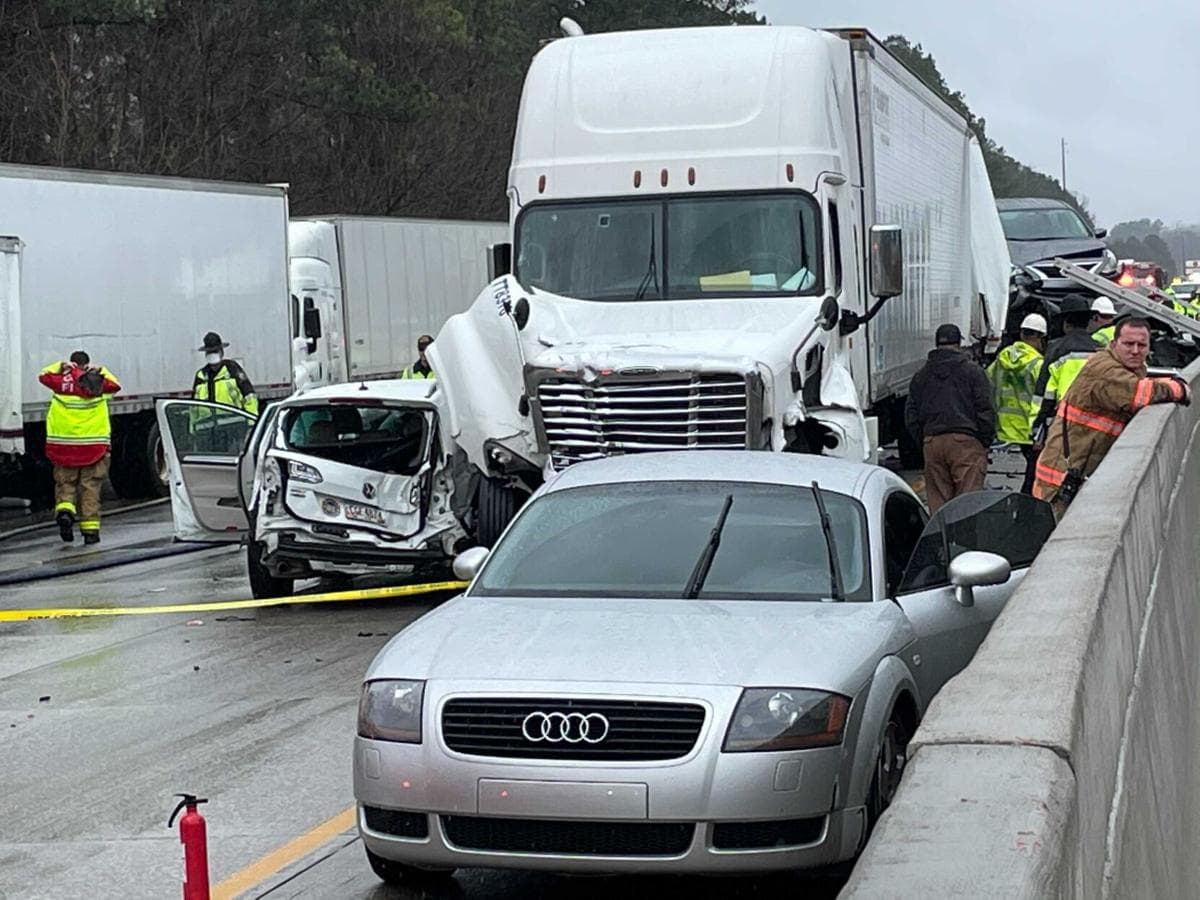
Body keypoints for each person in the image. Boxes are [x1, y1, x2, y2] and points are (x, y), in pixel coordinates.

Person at [1033, 318, 1190, 520]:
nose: (1135, 350)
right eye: (1128, 344)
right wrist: (1179, 388)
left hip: (1074, 475)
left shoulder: (1126, 368)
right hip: (1059, 482)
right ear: (1114, 344)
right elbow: (1139, 393)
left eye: (1141, 345)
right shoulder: (1105, 370)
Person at [905, 324, 996, 513]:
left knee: (939, 507)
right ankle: (963, 541)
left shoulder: (920, 376)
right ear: (959, 343)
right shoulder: (973, 372)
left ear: (936, 344)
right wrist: (985, 441)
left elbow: (911, 415)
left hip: (932, 443)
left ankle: (942, 541)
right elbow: (985, 409)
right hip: (966, 443)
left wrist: (924, 440)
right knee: (967, 505)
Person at [38, 351, 121, 544]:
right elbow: (115, 385)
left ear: (73, 362)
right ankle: (90, 532)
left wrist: (59, 366)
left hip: (64, 446)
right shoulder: (97, 382)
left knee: (65, 484)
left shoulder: (60, 383)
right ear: (87, 364)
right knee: (90, 487)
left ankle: (65, 511)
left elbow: (43, 375)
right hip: (93, 448)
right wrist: (102, 370)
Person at [986, 314, 1046, 494]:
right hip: (1028, 432)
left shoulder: (1002, 358)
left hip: (1003, 429)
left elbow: (987, 383)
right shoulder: (1038, 365)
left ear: (1021, 333)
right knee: (1031, 476)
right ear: (1040, 337)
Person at [1031, 294, 1100, 447]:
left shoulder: (1056, 350)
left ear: (1065, 321)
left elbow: (1043, 393)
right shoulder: (1100, 349)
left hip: (1061, 423)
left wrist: (1037, 427)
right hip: (1093, 424)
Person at [192, 331, 259, 415]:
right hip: (208, 426)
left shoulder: (233, 370)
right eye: (210, 352)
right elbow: (194, 409)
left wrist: (252, 423)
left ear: (221, 352)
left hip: (234, 424)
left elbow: (249, 397)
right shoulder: (201, 376)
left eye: (215, 351)